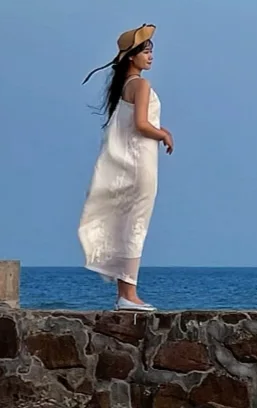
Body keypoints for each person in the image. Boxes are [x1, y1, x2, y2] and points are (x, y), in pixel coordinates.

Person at [77, 23, 174, 311]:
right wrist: (164, 134)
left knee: (127, 223)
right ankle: (129, 295)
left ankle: (125, 294)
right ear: (131, 56)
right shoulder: (141, 85)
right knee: (135, 225)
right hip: (140, 163)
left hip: (130, 162)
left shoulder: (125, 86)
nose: (150, 56)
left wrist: (157, 130)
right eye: (145, 51)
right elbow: (141, 124)